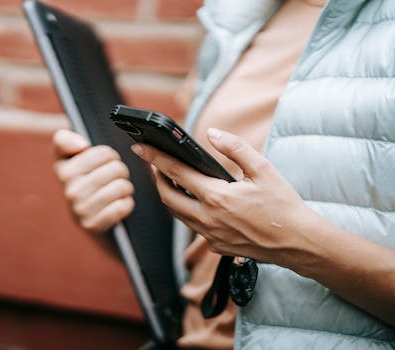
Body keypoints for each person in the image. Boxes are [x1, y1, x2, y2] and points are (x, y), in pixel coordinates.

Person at [52, 0, 395, 348]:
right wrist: (111, 209)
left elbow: (259, 229)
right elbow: (207, 240)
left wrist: (294, 242)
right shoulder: (238, 18)